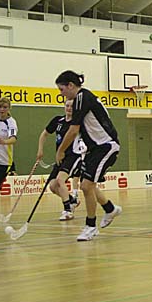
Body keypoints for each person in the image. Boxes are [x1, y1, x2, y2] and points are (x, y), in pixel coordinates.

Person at [55, 71, 122, 241]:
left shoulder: (82, 97)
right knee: (87, 185)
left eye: (62, 89)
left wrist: (60, 151)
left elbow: (73, 130)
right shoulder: (81, 98)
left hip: (106, 146)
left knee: (86, 186)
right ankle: (110, 209)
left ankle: (91, 226)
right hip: (95, 149)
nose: (61, 94)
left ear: (71, 85)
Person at [37, 100, 83, 221]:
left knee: (60, 180)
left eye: (72, 106)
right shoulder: (58, 120)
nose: (69, 108)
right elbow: (44, 134)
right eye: (67, 105)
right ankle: (72, 200)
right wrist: (40, 150)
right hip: (60, 157)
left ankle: (68, 210)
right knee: (52, 186)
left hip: (73, 156)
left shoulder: (78, 123)